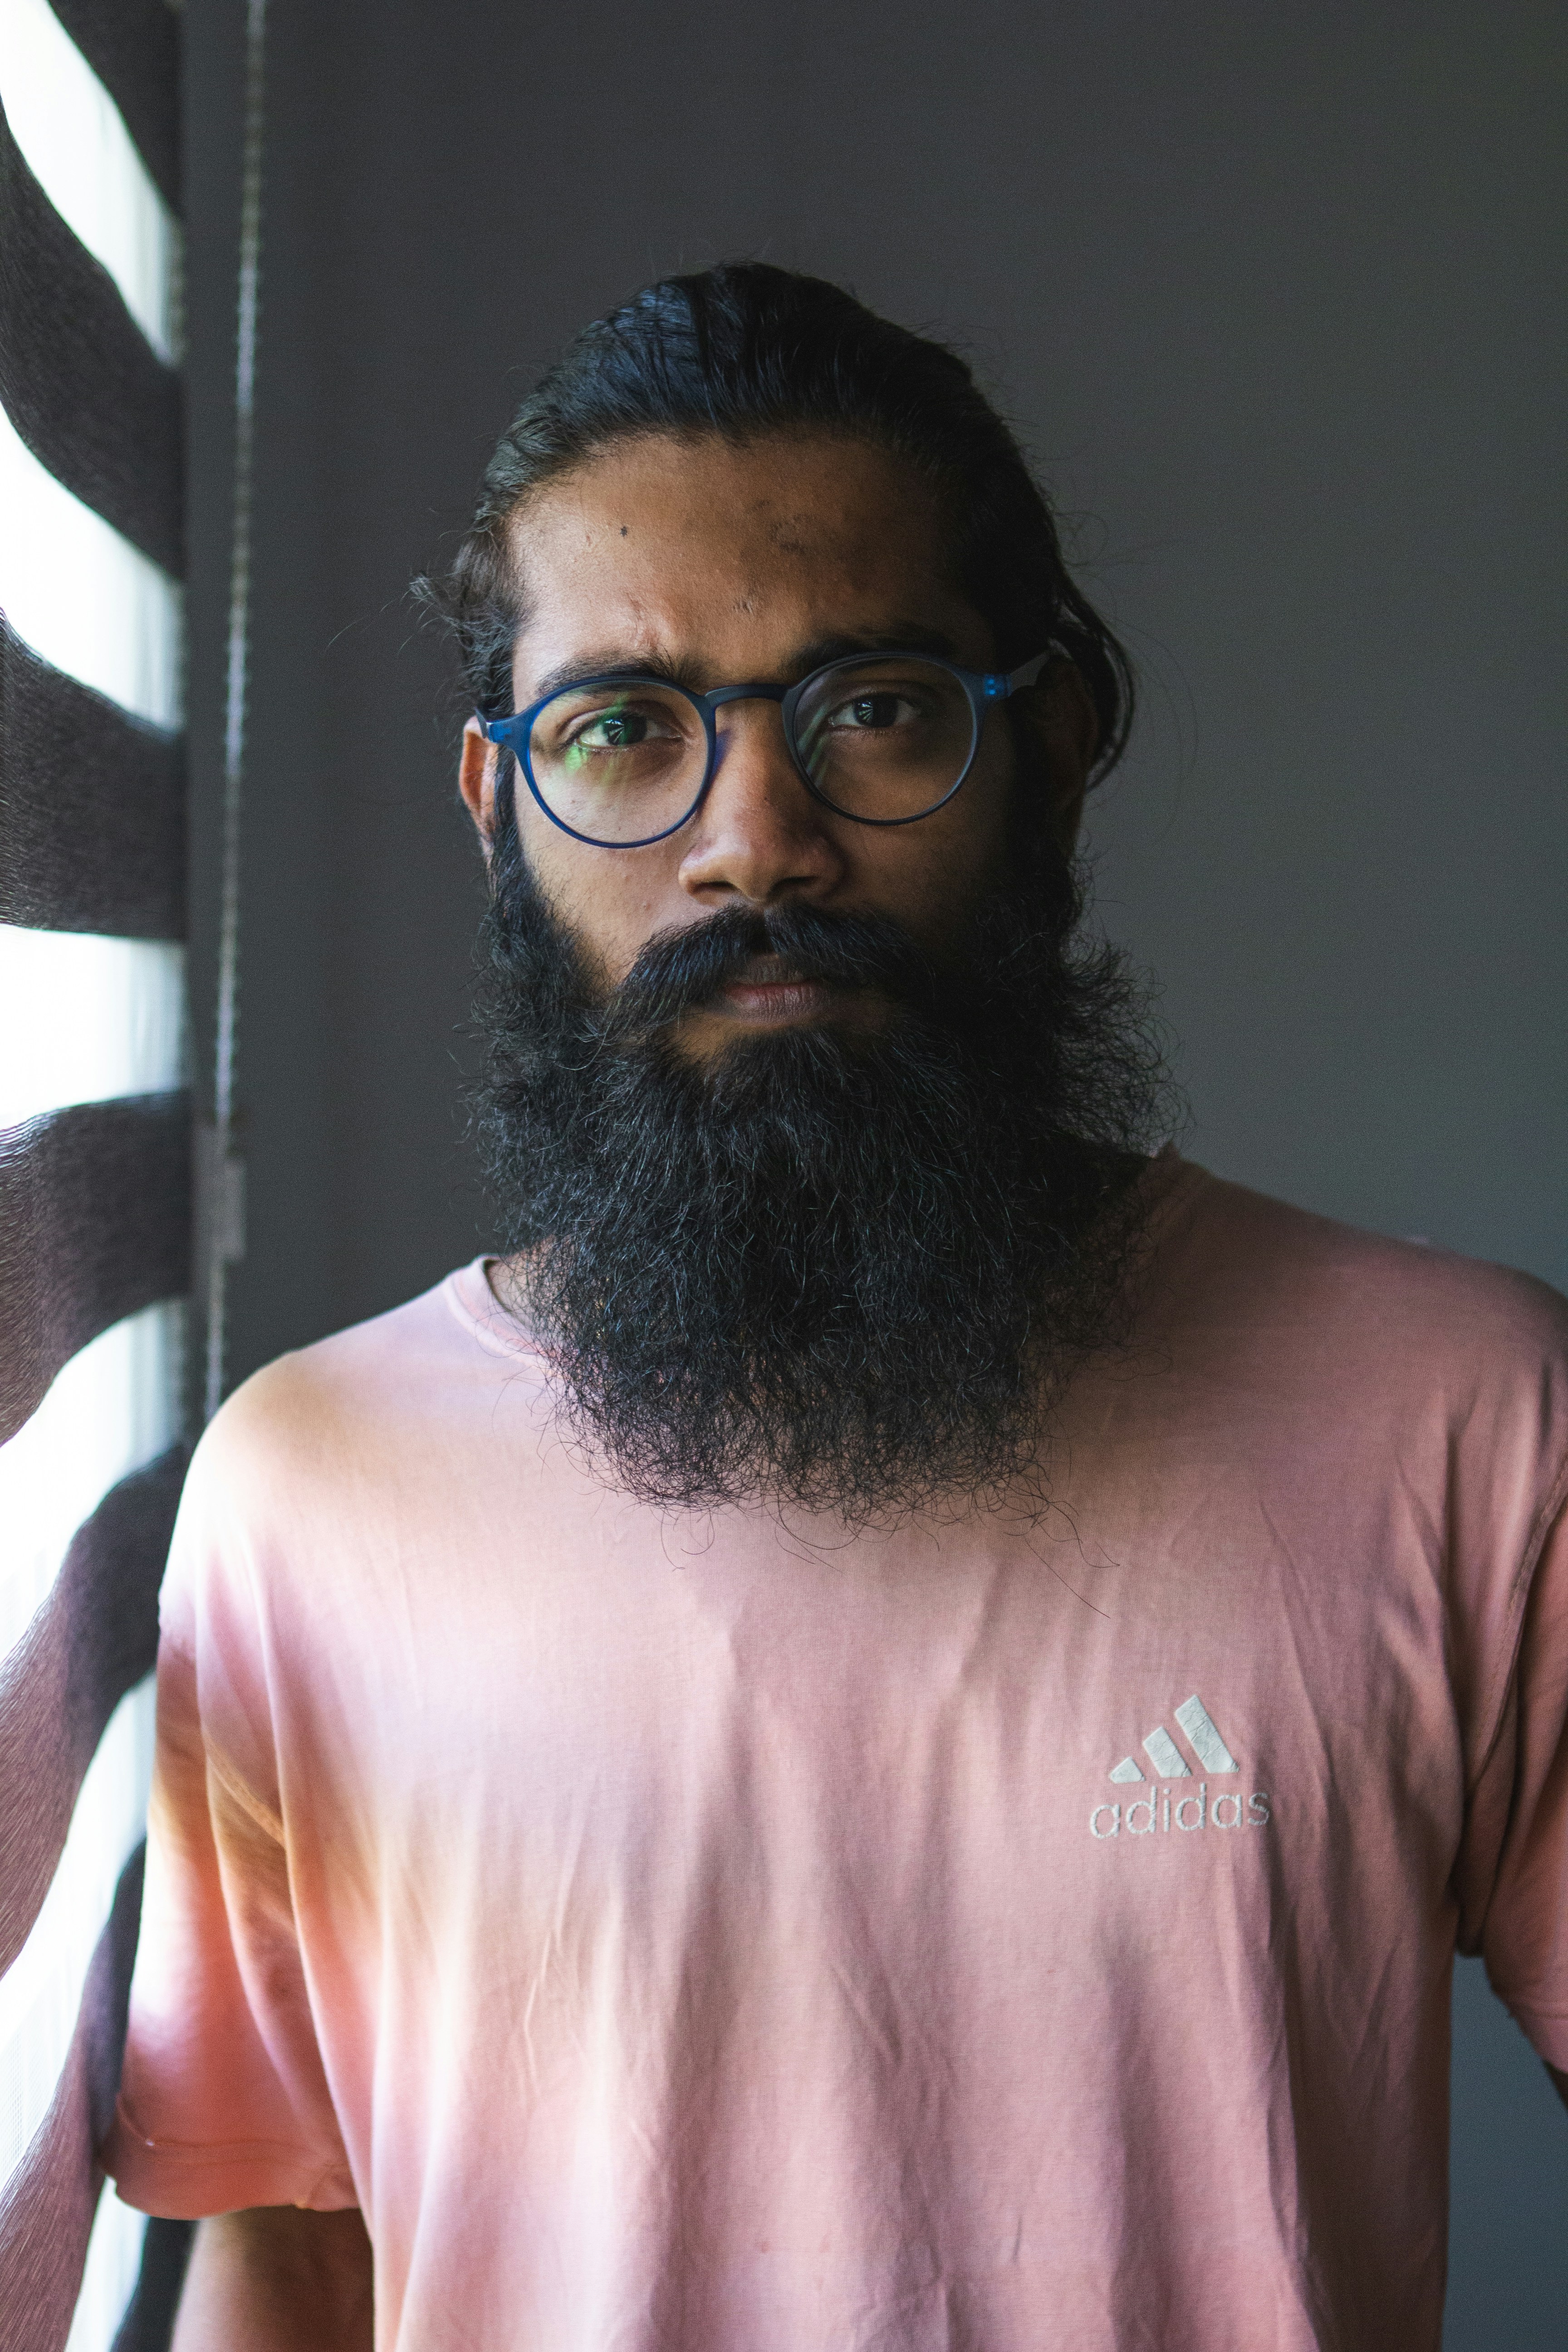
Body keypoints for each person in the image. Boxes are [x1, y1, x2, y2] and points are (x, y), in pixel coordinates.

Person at [104, 265, 1568, 2352]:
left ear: (1047, 751)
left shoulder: (1470, 1420)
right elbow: (287, 2249)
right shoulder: (304, 1499)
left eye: (870, 707)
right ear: (501, 809)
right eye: (623, 733)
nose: (756, 848)